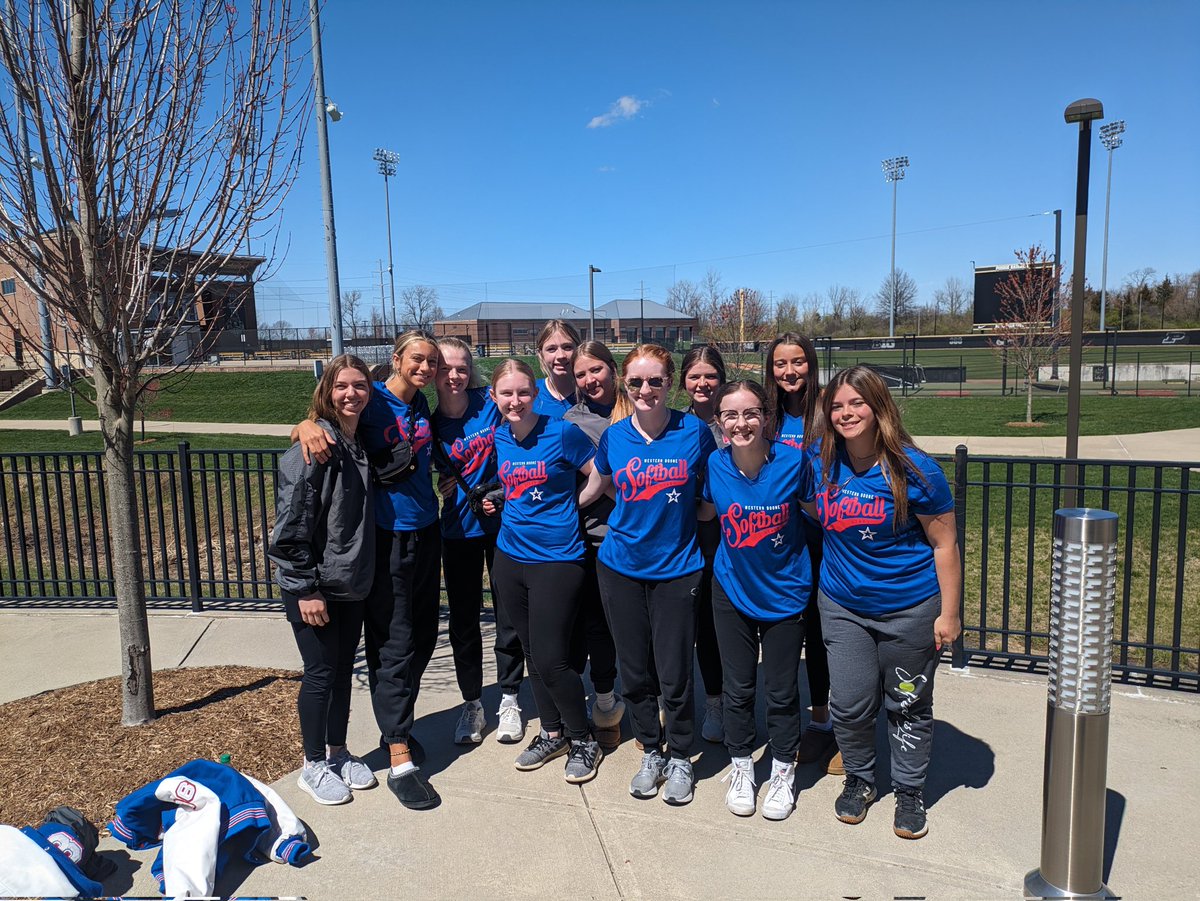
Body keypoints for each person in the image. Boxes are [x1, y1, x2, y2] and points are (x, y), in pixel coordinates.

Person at [801, 365, 961, 840]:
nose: (846, 413)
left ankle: (909, 789)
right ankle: (861, 778)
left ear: (878, 407)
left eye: (857, 403)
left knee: (907, 704)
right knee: (849, 704)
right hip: (843, 606)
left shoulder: (915, 469)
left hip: (910, 609)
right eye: (836, 405)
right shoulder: (821, 462)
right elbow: (813, 508)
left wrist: (949, 613)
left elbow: (945, 544)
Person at [292, 330, 442, 810]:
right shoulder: (371, 398)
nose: (424, 367)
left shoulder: (420, 407)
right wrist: (305, 423)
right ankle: (397, 752)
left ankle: (389, 728)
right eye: (416, 359)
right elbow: (323, 418)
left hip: (426, 530)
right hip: (384, 538)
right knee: (392, 643)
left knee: (421, 637)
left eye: (431, 361)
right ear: (396, 359)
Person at [585, 344, 718, 805]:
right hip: (620, 566)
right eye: (637, 381)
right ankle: (651, 750)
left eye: (656, 381)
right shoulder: (615, 437)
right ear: (626, 384)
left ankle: (680, 755)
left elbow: (710, 497)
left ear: (670, 383)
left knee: (675, 670)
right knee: (635, 671)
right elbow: (595, 485)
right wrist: (534, 506)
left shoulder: (695, 433)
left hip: (678, 570)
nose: (646, 390)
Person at [488, 359, 605, 784]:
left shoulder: (561, 432)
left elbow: (599, 477)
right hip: (509, 558)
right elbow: (515, 485)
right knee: (533, 655)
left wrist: (571, 507)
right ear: (495, 397)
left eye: (523, 392)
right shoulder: (500, 436)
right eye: (506, 393)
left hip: (557, 559)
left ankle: (583, 738)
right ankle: (551, 732)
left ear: (534, 394)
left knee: (553, 658)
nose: (515, 401)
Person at [702, 379, 813, 821]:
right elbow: (706, 512)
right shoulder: (714, 463)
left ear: (767, 418)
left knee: (782, 691)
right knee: (739, 687)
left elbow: (817, 511)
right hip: (731, 590)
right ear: (720, 422)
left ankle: (783, 771)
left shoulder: (794, 461)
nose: (741, 422)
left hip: (786, 594)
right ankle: (742, 766)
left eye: (750, 413)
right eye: (731, 415)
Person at [270, 354, 378, 807]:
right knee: (318, 675)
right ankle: (313, 765)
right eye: (341, 386)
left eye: (359, 385)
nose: (351, 393)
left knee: (338, 676)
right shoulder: (314, 447)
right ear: (326, 392)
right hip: (314, 586)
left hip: (349, 582)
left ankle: (338, 752)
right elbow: (290, 527)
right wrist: (305, 589)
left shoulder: (354, 440)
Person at [431, 337, 526, 747]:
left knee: (508, 617)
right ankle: (472, 702)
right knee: (464, 623)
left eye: (462, 368)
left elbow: (522, 448)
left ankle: (509, 698)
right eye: (445, 368)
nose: (454, 375)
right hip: (456, 529)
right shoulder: (427, 422)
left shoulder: (490, 406)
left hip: (500, 526)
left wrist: (500, 492)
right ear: (433, 372)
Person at [765, 331, 839, 774]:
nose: (789, 372)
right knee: (793, 631)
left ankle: (832, 725)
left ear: (810, 364)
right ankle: (804, 723)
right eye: (780, 364)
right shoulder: (767, 417)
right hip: (778, 540)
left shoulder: (829, 412)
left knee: (824, 633)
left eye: (798, 362)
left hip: (825, 535)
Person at [563, 341, 624, 752]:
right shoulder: (573, 420)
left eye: (596, 370)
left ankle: (651, 704)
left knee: (640, 632)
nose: (589, 380)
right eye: (581, 374)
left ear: (612, 369)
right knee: (594, 625)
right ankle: (604, 704)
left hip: (641, 540)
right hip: (593, 537)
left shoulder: (640, 410)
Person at [679, 345, 727, 744]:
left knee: (713, 627)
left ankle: (717, 701)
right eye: (694, 376)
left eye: (709, 375)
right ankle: (674, 704)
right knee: (682, 627)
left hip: (732, 537)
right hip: (686, 535)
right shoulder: (676, 425)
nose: (702, 383)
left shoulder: (740, 420)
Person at [531, 319, 581, 417]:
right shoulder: (530, 394)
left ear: (578, 349)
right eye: (551, 349)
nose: (561, 356)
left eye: (567, 347)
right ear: (540, 354)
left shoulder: (591, 392)